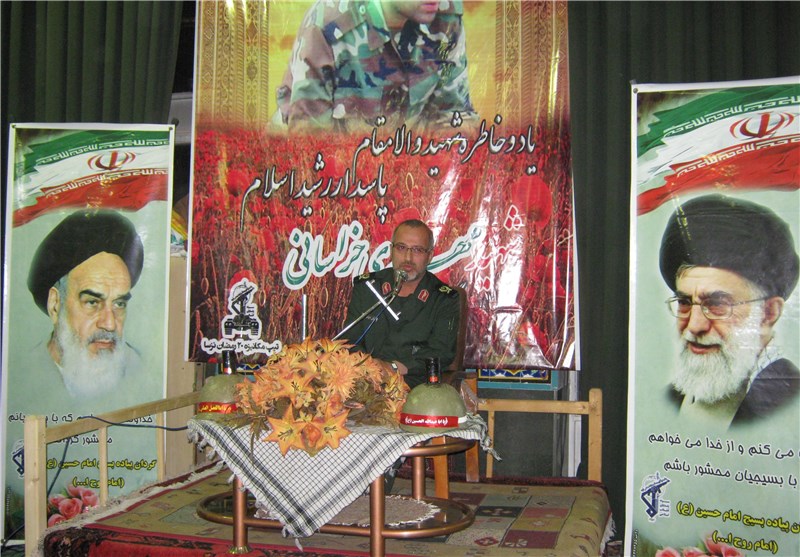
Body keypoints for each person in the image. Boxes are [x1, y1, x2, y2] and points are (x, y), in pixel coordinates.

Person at [658, 194, 799, 427]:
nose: (694, 326)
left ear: (768, 313)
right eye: (684, 302)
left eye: (717, 304)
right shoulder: (670, 398)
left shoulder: (790, 401)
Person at [275, 0, 477, 133]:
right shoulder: (328, 25)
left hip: (406, 170)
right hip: (336, 171)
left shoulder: (446, 17)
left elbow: (454, 115)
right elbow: (310, 144)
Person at [26, 209, 145, 400]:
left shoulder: (139, 370)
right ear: (55, 305)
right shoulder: (21, 374)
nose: (110, 324)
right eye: (92, 302)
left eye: (119, 303)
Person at [342, 219, 461, 389]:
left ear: (429, 256)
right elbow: (349, 340)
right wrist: (369, 367)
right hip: (365, 380)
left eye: (417, 250)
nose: (408, 258)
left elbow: (441, 353)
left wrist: (393, 367)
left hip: (414, 386)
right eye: (401, 248)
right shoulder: (368, 287)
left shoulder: (443, 299)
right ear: (391, 250)